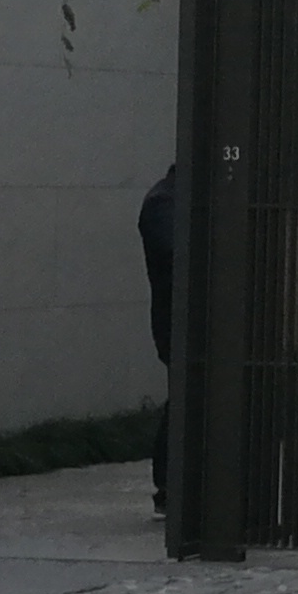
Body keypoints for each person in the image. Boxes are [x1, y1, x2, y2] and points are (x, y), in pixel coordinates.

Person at [138, 162, 177, 513]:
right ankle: (168, 483)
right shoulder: (163, 202)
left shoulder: (167, 199)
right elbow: (176, 252)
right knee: (187, 395)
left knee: (188, 396)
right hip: (178, 321)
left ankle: (170, 483)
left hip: (181, 318)